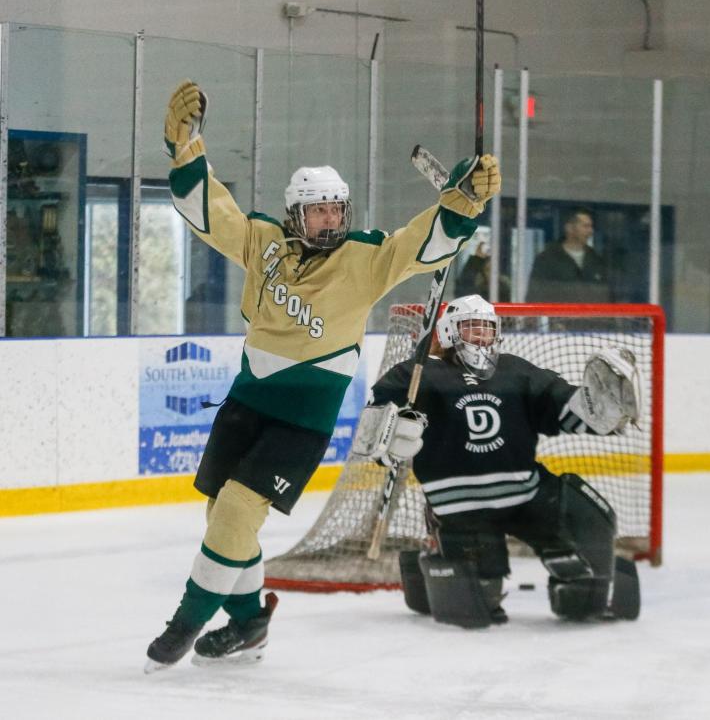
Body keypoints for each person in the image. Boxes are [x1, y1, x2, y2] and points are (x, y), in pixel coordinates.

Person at [144, 81, 501, 671]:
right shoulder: (263, 242)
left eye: (338, 208)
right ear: (295, 213)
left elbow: (420, 244)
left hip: (302, 418)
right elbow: (211, 215)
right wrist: (185, 150)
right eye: (319, 209)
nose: (331, 218)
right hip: (246, 398)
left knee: (237, 513)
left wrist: (461, 203)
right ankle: (249, 622)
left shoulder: (364, 259)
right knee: (221, 518)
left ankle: (188, 618)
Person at [353, 295, 642, 628]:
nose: (480, 336)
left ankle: (579, 594)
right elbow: (371, 432)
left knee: (590, 524)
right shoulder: (417, 374)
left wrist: (602, 408)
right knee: (477, 603)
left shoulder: (514, 370)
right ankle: (430, 559)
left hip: (527, 494)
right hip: (460, 505)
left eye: (487, 328)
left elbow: (562, 406)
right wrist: (390, 433)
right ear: (448, 331)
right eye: (471, 327)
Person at [526, 208, 609, 303]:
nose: (590, 231)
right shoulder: (547, 259)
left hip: (591, 317)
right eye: (585, 226)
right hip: (558, 317)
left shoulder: (596, 260)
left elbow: (606, 296)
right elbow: (534, 297)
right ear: (569, 228)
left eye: (591, 227)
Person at [456, 234, 511, 301]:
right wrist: (477, 258)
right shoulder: (479, 289)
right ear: (483, 272)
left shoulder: (504, 289)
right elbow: (464, 290)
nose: (491, 273)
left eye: (494, 269)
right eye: (488, 269)